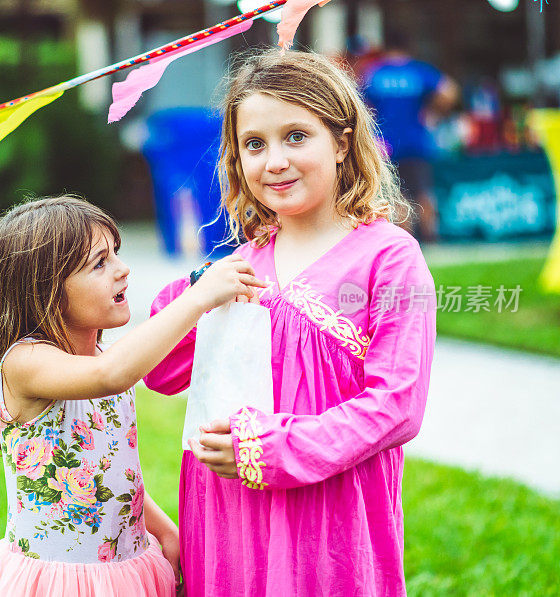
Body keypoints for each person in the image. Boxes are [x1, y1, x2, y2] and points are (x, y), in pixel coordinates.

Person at [144, 50, 437, 596]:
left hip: (326, 526)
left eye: (296, 136)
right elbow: (161, 373)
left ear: (343, 142)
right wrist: (193, 293)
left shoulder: (389, 259)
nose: (274, 160)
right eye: (254, 143)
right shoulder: (234, 268)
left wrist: (273, 449)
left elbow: (398, 405)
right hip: (228, 522)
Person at [0, 195, 267, 597]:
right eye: (100, 263)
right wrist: (198, 297)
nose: (122, 269)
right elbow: (111, 374)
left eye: (116, 253)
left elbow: (112, 477)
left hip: (125, 572)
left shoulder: (100, 357)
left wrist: (164, 530)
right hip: (57, 583)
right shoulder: (25, 363)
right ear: (45, 289)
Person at [362, 31, 459, 242]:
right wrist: (433, 111)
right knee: (423, 191)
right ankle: (431, 239)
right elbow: (450, 90)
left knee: (398, 194)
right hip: (417, 141)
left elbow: (361, 105)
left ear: (386, 48)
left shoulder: (375, 73)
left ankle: (406, 241)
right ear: (408, 47)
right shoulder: (418, 71)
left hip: (386, 144)